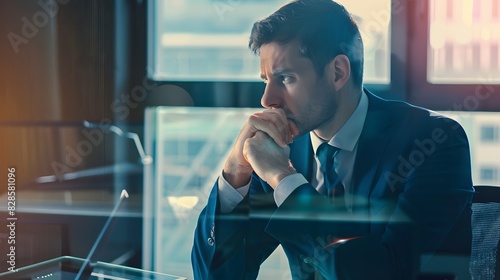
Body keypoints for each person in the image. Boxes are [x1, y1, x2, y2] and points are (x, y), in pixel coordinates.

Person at [191, 0, 474, 279]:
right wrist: (234, 172)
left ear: (337, 72)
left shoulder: (434, 143)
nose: (267, 100)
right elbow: (217, 275)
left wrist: (284, 179)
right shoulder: (283, 148)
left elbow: (386, 273)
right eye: (266, 80)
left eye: (285, 79)